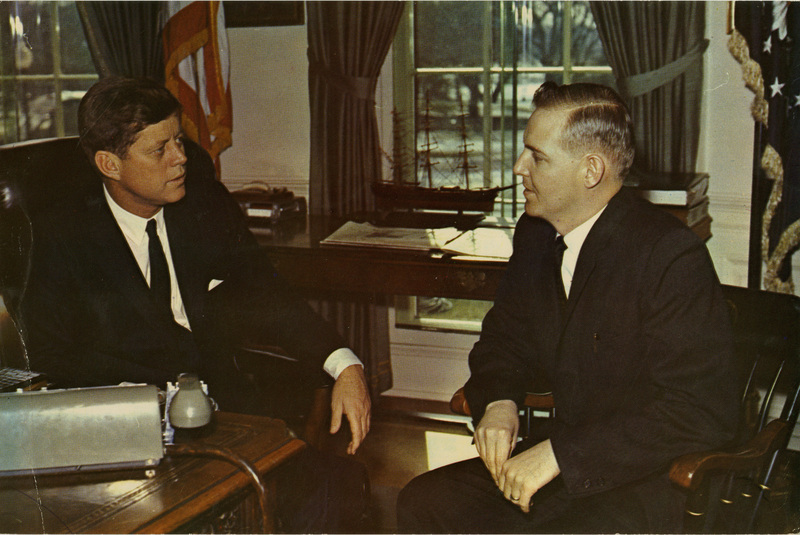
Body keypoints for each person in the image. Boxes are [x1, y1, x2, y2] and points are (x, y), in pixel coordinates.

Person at [18, 76, 370, 532]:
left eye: (179, 141)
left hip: (227, 413)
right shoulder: (63, 233)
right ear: (109, 163)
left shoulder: (201, 204)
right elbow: (50, 354)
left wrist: (344, 364)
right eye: (159, 149)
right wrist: (150, 403)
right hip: (128, 432)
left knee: (327, 485)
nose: (181, 158)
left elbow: (266, 291)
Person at [397, 82, 739, 533]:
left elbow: (700, 412)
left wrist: (560, 454)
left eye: (536, 157)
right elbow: (505, 339)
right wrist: (499, 401)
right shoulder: (536, 235)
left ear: (590, 170)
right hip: (566, 468)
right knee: (425, 502)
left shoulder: (668, 256)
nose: (518, 168)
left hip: (645, 485)